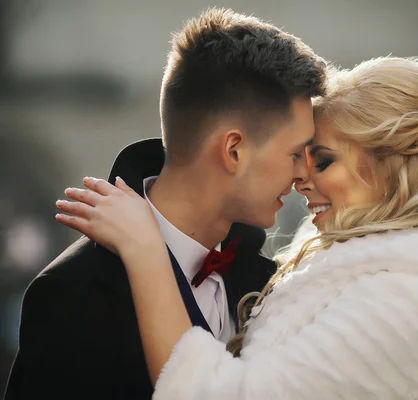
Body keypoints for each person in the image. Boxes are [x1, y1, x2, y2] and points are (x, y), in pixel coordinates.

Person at [56, 57, 418, 399]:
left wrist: (148, 251)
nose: (301, 177)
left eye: (323, 159)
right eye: (298, 154)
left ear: (392, 170)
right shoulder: (338, 282)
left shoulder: (405, 303)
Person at [5, 8, 327, 400]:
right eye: (295, 153)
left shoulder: (270, 284)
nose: (303, 174)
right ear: (234, 150)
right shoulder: (74, 295)